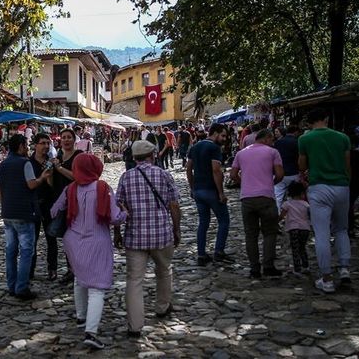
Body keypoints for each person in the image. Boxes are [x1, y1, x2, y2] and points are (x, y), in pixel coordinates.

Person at [50, 153, 126, 349]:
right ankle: (91, 332)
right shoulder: (103, 188)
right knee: (97, 288)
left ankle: (81, 316)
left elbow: (54, 210)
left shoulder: (70, 189)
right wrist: (126, 211)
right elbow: (115, 218)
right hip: (97, 240)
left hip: (73, 240)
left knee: (79, 278)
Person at [116, 140, 181, 337]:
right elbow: (174, 205)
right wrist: (176, 229)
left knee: (134, 280)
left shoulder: (126, 177)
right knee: (164, 271)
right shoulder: (163, 174)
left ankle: (135, 325)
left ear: (134, 158)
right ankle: (162, 306)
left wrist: (117, 233)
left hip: (135, 236)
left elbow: (119, 208)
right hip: (161, 234)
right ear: (153, 156)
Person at [298, 108, 351, 293]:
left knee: (321, 233)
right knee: (342, 229)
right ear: (326, 119)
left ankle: (327, 278)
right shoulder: (342, 138)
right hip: (341, 186)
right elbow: (347, 164)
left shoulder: (305, 139)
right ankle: (345, 269)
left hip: (319, 187)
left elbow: (302, 165)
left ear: (309, 122)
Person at [0, 134, 52, 300]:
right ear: (20, 146)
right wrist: (42, 177)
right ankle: (22, 287)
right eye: (26, 144)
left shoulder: (3, 164)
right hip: (24, 212)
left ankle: (11, 285)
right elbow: (31, 184)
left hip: (8, 213)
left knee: (11, 251)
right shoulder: (25, 163)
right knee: (27, 251)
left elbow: (1, 189)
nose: (27, 147)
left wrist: (4, 206)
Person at [230, 129, 284, 278]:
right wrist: (271, 183)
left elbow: (233, 174)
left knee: (250, 235)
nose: (273, 142)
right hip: (266, 197)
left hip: (247, 198)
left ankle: (254, 268)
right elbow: (280, 174)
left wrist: (244, 183)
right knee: (269, 233)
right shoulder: (273, 152)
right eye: (272, 139)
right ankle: (268, 266)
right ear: (266, 138)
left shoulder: (241, 153)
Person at [186, 123, 232, 266]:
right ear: (215, 133)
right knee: (224, 220)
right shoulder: (214, 148)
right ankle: (219, 251)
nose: (224, 139)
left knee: (203, 223)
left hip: (199, 190)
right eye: (223, 135)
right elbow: (216, 170)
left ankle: (201, 254)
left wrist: (192, 188)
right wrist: (221, 193)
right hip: (211, 189)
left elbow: (188, 169)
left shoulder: (194, 147)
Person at [52, 128, 84, 283]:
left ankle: (79, 267)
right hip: (61, 201)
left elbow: (78, 177)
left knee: (77, 235)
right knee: (66, 237)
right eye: (63, 137)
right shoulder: (57, 156)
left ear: (74, 139)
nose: (66, 140)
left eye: (69, 137)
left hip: (77, 200)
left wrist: (59, 168)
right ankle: (71, 268)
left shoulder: (79, 156)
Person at [29, 133, 57, 280]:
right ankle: (30, 269)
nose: (46, 146)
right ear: (36, 145)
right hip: (33, 205)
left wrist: (50, 176)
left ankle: (52, 268)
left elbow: (53, 187)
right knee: (31, 240)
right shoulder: (28, 163)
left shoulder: (51, 163)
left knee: (51, 238)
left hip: (48, 204)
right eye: (43, 143)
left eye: (48, 143)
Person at [279, 182, 311, 275]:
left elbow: (282, 216)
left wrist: (276, 221)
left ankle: (297, 269)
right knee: (302, 248)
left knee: (295, 249)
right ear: (302, 193)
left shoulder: (287, 204)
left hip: (294, 229)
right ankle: (306, 266)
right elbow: (310, 216)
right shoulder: (306, 204)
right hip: (305, 229)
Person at [273, 126, 300, 212]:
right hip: (294, 172)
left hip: (280, 173)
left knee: (278, 197)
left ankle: (276, 216)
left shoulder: (278, 143)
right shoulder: (296, 142)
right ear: (296, 132)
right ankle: (293, 216)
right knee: (294, 196)